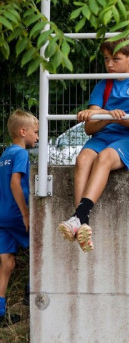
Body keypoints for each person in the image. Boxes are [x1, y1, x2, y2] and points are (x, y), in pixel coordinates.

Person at [58, 37, 129, 252]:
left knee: (105, 157)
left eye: (115, 59)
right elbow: (89, 128)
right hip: (103, 136)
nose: (109, 64)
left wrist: (104, 115)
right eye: (106, 59)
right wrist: (109, 117)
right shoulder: (103, 84)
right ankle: (82, 222)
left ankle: (79, 217)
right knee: (83, 158)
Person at [0, 110, 38, 324]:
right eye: (35, 132)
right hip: (16, 214)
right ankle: (29, 294)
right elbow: (16, 183)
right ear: (23, 132)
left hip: (2, 215)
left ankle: (0, 311)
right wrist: (25, 213)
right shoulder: (21, 154)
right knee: (40, 248)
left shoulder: (5, 154)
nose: (38, 137)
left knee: (7, 263)